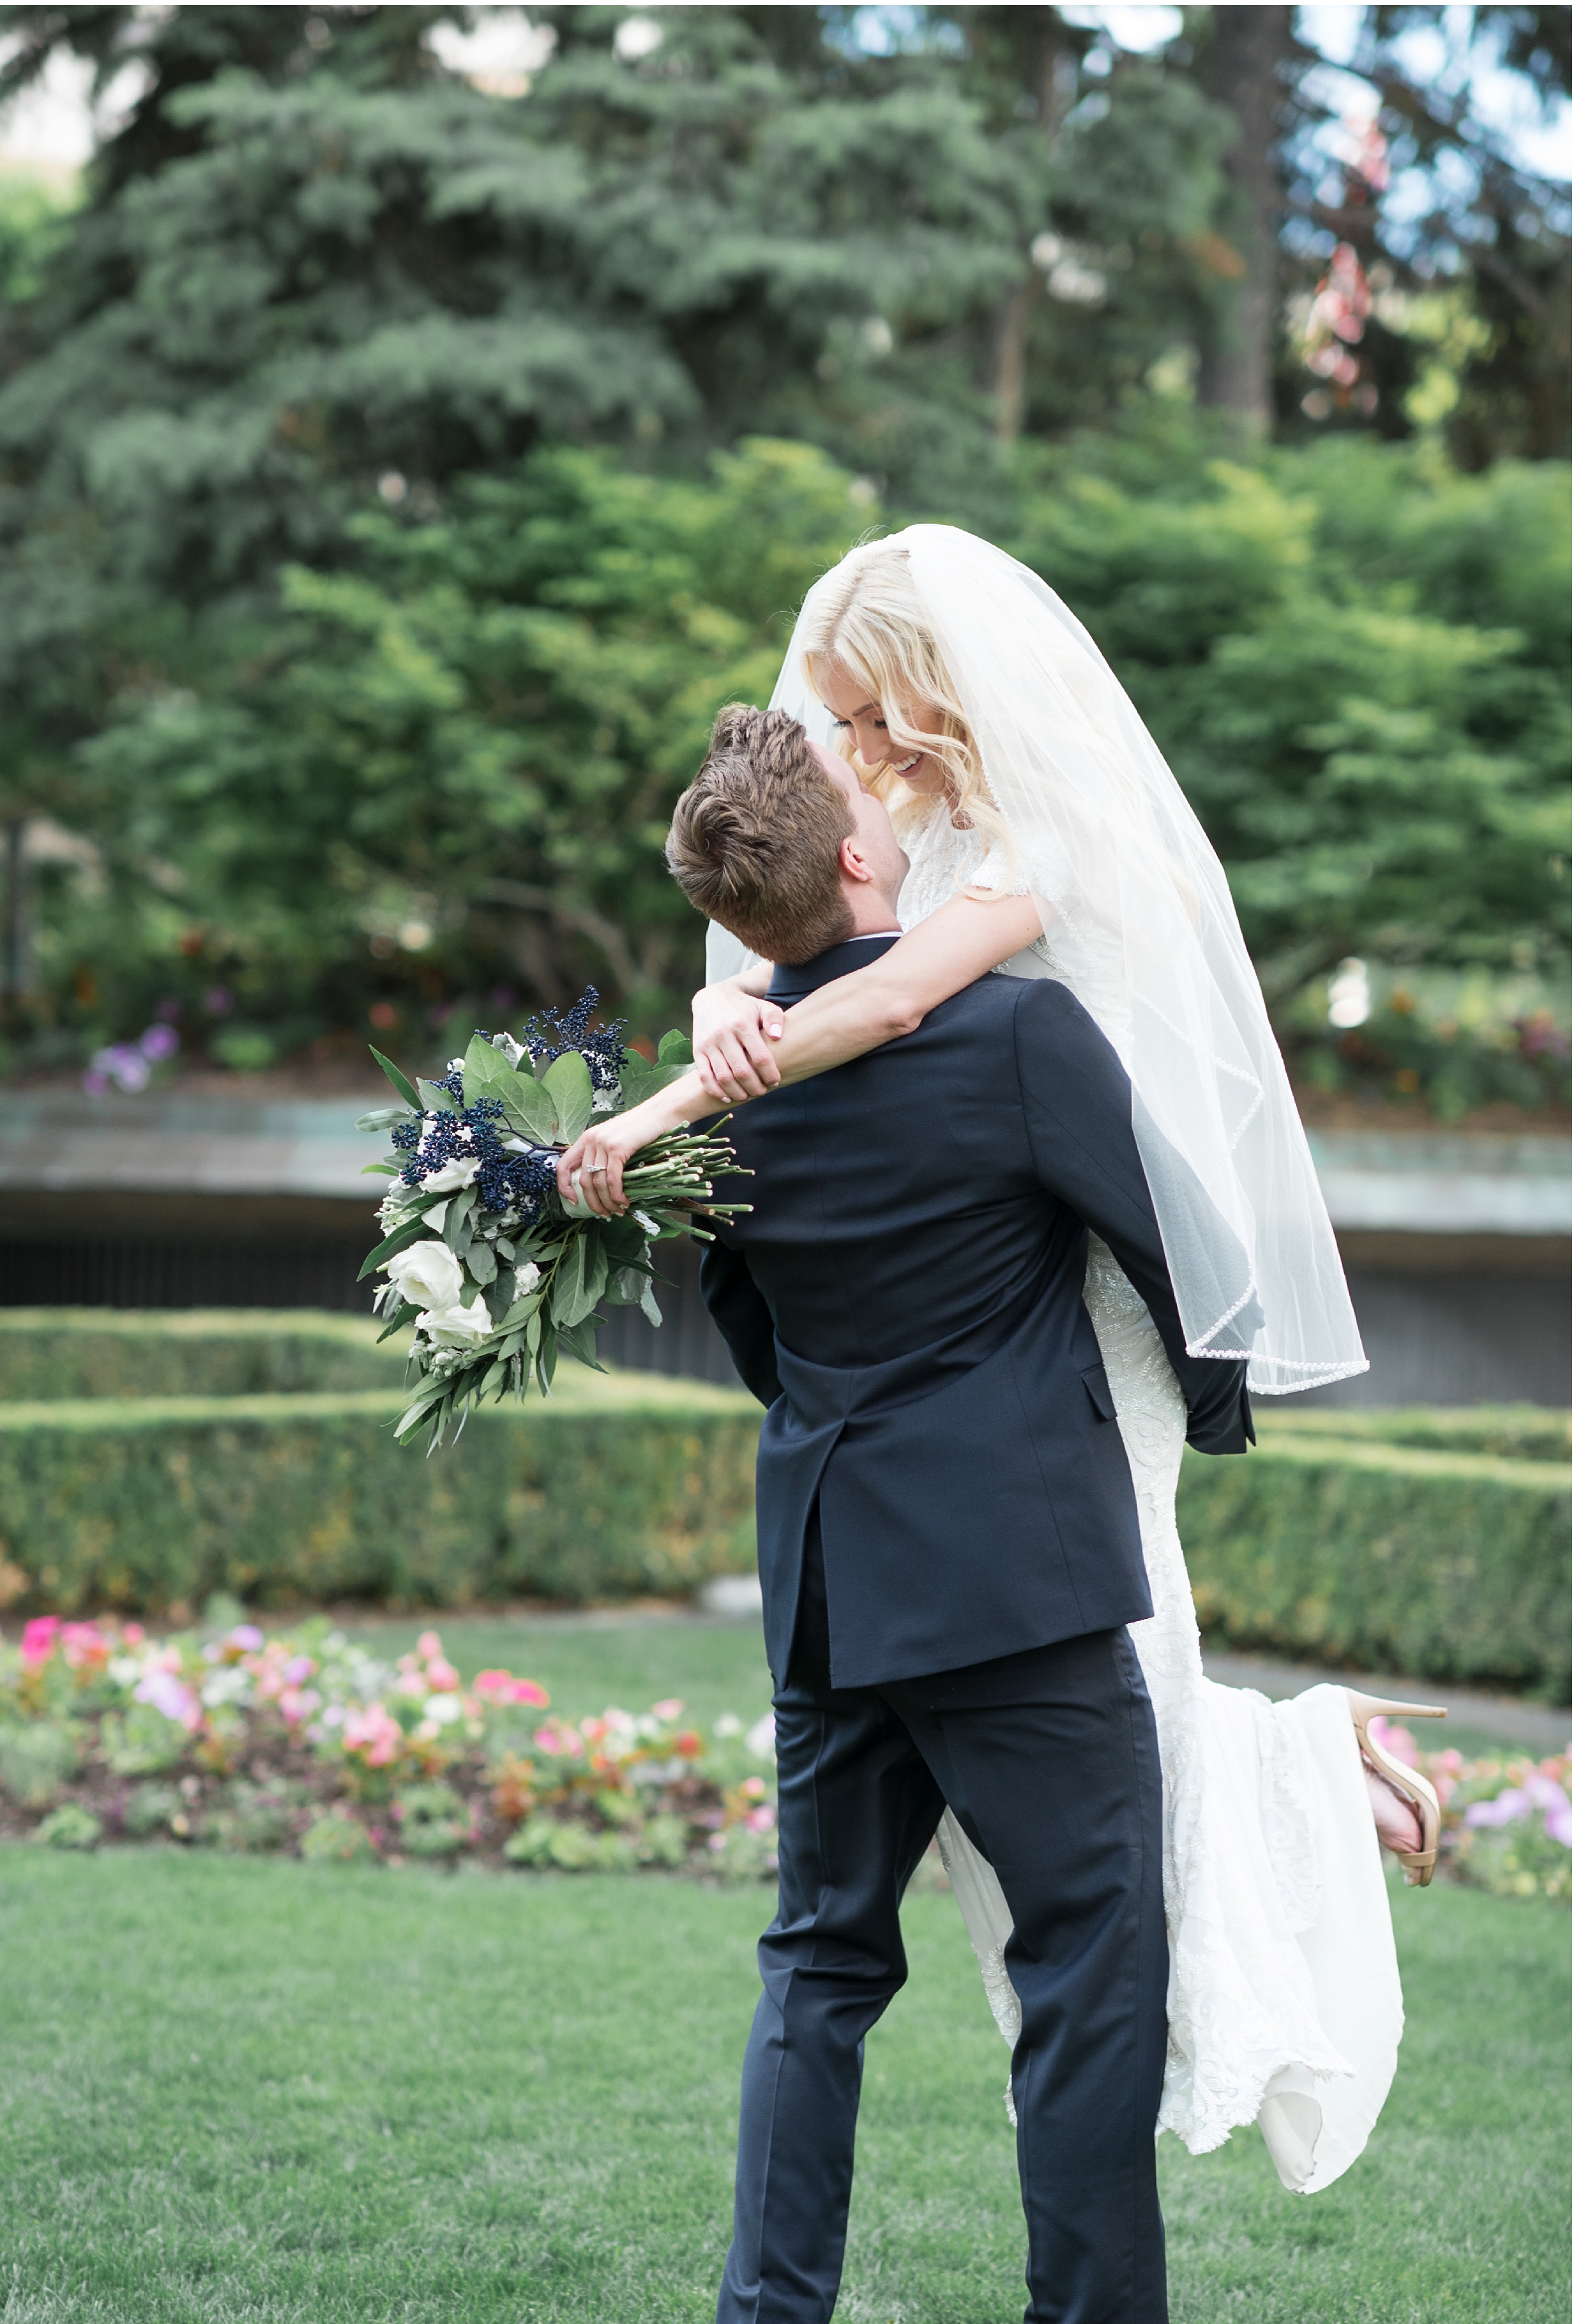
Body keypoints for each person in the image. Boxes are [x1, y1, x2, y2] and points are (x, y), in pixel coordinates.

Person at [561, 532, 1445, 2223]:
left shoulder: (1058, 833)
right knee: (1083, 1753)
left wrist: (661, 1107)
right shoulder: (897, 830)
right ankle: (1309, 1762)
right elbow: (783, 957)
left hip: (1064, 1307)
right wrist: (719, 1015)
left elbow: (883, 998)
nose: (847, 752)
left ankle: (1290, 1776)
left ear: (928, 682)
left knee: (1109, 1700)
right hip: (951, 1316)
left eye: (858, 715)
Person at [573, 702, 1320, 2324]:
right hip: (1016, 1579)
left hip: (830, 1577)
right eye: (862, 793)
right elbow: (1169, 1248)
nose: (890, 803)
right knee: (1087, 1966)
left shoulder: (722, 1100)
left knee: (815, 1964)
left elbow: (749, 1333)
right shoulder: (1011, 1030)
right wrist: (1202, 1414)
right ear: (849, 858)